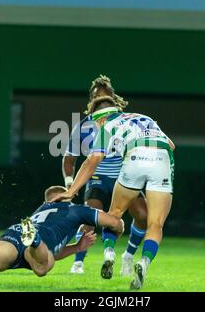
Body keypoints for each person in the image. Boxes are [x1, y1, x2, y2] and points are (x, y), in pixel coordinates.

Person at [53, 97, 175, 290]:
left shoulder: (107, 125)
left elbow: (91, 162)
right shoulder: (143, 117)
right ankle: (144, 262)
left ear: (100, 118)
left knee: (114, 214)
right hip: (163, 157)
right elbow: (171, 144)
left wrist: (71, 191)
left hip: (135, 156)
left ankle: (109, 252)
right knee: (155, 223)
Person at [63, 75, 147, 276]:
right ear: (91, 102)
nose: (100, 98)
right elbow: (69, 159)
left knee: (144, 216)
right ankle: (78, 262)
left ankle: (127, 255)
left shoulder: (127, 122)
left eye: (104, 95)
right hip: (97, 178)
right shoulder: (83, 126)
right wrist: (69, 184)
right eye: (95, 96)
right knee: (90, 218)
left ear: (112, 98)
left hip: (125, 178)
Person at [0, 186, 124, 278]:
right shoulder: (75, 209)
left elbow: (54, 250)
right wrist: (119, 227)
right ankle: (34, 240)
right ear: (64, 196)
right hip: (43, 237)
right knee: (41, 268)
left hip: (17, 230)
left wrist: (77, 248)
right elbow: (113, 222)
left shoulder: (41, 209)